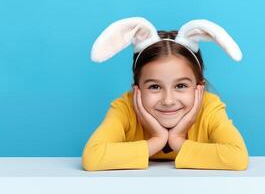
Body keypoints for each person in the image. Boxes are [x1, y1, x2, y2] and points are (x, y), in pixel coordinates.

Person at [82, 17, 249, 171]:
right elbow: (92, 158)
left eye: (181, 85)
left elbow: (237, 158)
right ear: (137, 89)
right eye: (154, 87)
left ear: (199, 87)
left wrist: (177, 139)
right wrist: (156, 140)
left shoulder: (209, 107)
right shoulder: (125, 108)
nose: (168, 100)